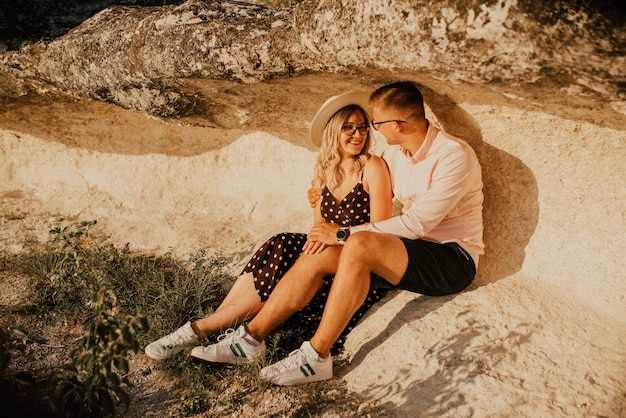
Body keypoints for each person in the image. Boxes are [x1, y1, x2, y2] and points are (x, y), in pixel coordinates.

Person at [193, 80, 484, 386]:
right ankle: (250, 341)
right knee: (316, 251)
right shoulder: (396, 155)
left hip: (452, 259)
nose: (373, 130)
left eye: (376, 123)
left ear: (396, 125)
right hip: (408, 251)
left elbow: (416, 224)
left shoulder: (454, 156)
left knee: (358, 243)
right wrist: (321, 197)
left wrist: (342, 233)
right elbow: (362, 185)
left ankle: (317, 356)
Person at [144, 91, 393, 361]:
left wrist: (336, 237)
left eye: (362, 128)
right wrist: (315, 226)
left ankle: (200, 329)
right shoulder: (324, 171)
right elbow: (318, 230)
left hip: (358, 259)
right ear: (334, 130)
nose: (358, 135)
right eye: (349, 127)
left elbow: (383, 231)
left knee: (307, 258)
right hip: (325, 255)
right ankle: (224, 328)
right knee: (282, 243)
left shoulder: (373, 166)